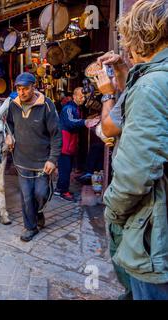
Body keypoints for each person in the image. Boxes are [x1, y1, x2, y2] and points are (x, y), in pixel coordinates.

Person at [101, 0, 168, 300]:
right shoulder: (154, 79)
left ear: (138, 39)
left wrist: (112, 210)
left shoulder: (151, 86)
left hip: (153, 239)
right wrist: (128, 73)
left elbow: (135, 173)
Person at [94, 51, 134, 300]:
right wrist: (120, 68)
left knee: (124, 247)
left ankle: (131, 291)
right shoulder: (145, 81)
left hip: (131, 190)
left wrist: (107, 94)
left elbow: (107, 128)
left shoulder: (147, 85)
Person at [6, 72, 62, 242]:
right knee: (26, 196)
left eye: (25, 89)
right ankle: (30, 227)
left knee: (40, 193)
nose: (21, 93)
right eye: (18, 89)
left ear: (33, 87)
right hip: (22, 159)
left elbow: (56, 135)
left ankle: (38, 212)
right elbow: (9, 124)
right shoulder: (13, 104)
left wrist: (52, 159)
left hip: (42, 161)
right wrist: (9, 135)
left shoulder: (47, 105)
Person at [55, 87, 99, 201]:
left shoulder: (76, 108)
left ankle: (59, 188)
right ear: (74, 96)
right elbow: (70, 122)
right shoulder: (68, 108)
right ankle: (62, 192)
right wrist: (85, 121)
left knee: (67, 168)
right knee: (65, 168)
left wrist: (90, 118)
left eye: (84, 96)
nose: (83, 98)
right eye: (80, 96)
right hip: (64, 143)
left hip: (70, 143)